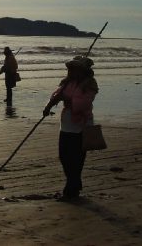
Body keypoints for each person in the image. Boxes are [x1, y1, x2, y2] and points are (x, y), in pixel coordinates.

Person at [44, 56, 98, 200]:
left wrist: (67, 100)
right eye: (70, 69)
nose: (71, 71)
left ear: (82, 71)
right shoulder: (67, 82)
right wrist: (48, 107)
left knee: (76, 158)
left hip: (82, 125)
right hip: (67, 123)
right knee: (64, 156)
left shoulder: (90, 85)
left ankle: (71, 190)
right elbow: (57, 96)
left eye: (74, 69)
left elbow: (85, 103)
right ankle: (75, 183)